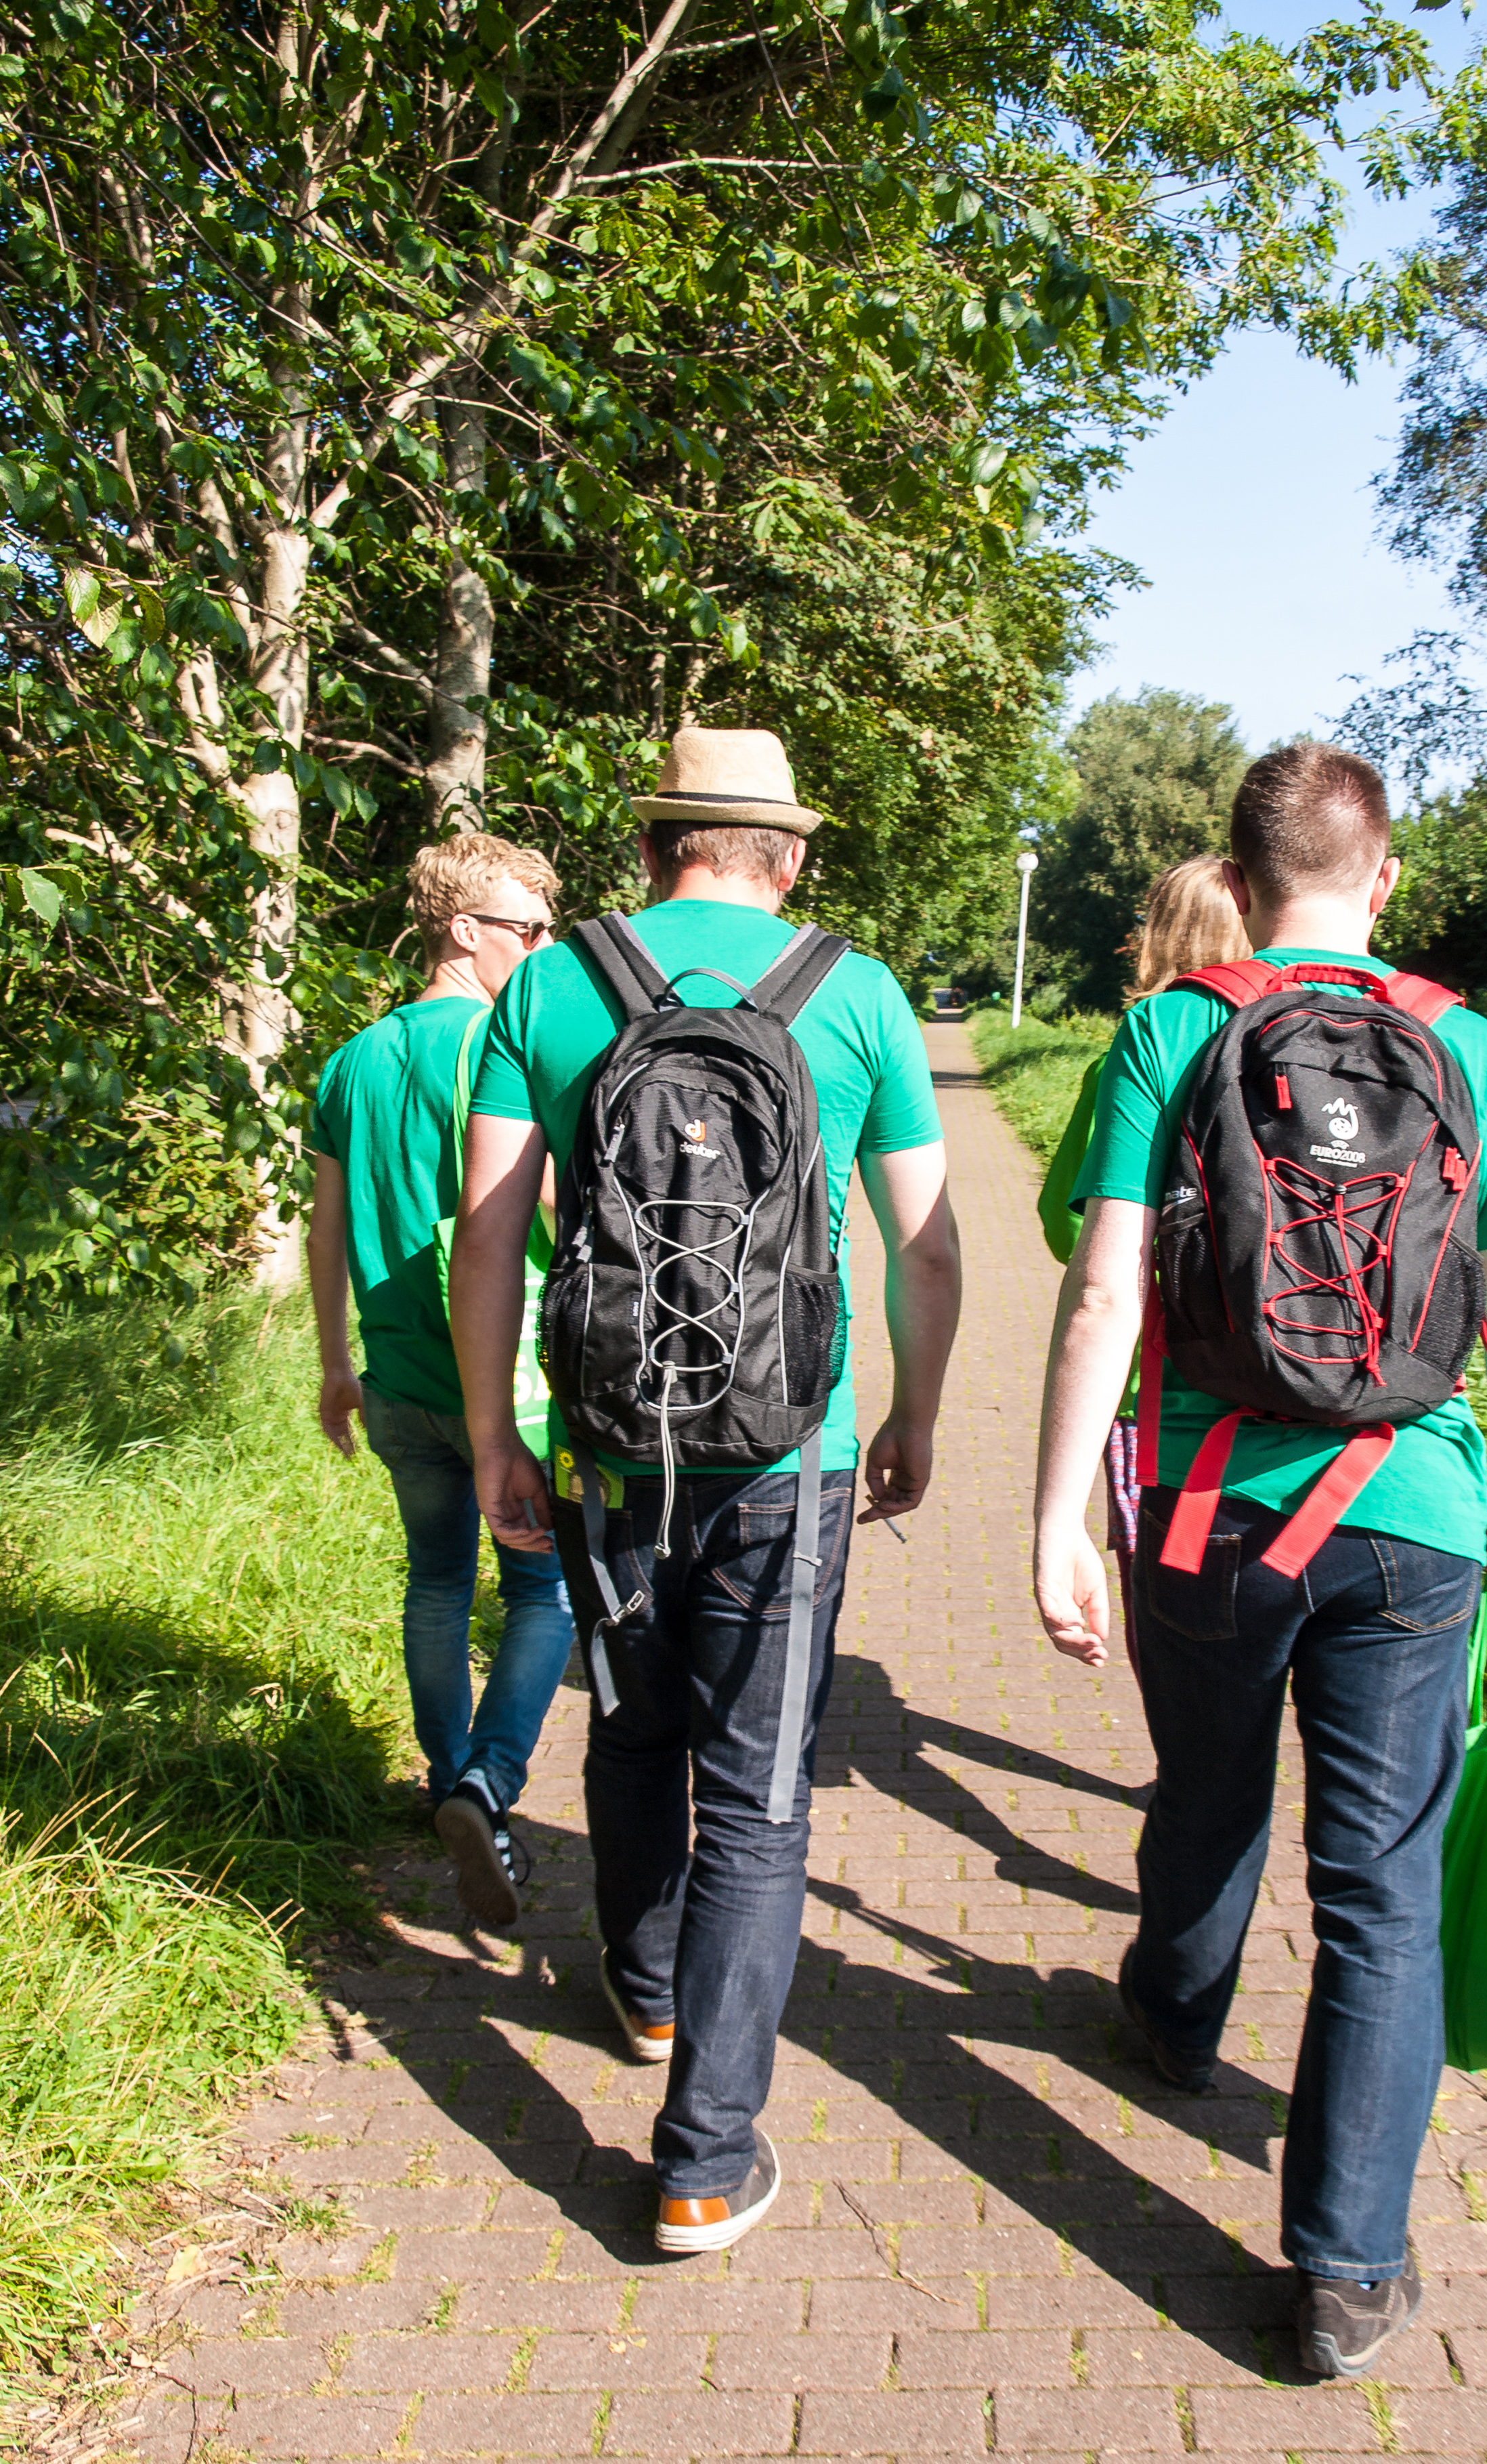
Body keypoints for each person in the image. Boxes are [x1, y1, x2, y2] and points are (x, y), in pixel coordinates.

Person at [1030, 743, 1487, 2381]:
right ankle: (1342, 2267)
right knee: (1376, 1889)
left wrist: (1055, 1512)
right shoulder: (1463, 1039)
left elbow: (1104, 1286)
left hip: (1204, 1507)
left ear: (1237, 874)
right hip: (1406, 1513)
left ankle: (1172, 2020)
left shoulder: (1175, 1024)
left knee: (1203, 1784)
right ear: (1380, 872)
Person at [450, 725, 961, 2259]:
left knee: (627, 1723)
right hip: (790, 1456)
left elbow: (482, 1237)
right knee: (755, 1794)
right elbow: (926, 1245)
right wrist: (916, 1415)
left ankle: (648, 1984)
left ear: (658, 839)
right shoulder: (852, 993)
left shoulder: (551, 982)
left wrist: (496, 1436)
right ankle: (702, 2159)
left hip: (609, 1441)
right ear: (784, 853)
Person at [307, 836, 576, 1932]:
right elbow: (544, 1209)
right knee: (541, 1588)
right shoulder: (500, 1047)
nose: (544, 946)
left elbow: (324, 1231)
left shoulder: (351, 1060)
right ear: (461, 929)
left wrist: (334, 1364)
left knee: (430, 1581)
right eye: (527, 928)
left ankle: (444, 1777)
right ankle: (488, 1782)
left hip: (397, 1377)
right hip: (508, 1384)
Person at [1035, 854, 1253, 1679]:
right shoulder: (1316, 1034)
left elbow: (1069, 1226)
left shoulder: (1146, 1042)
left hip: (1151, 1391)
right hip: (1297, 1372)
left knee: (1165, 1588)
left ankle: (1188, 1757)